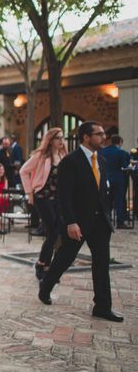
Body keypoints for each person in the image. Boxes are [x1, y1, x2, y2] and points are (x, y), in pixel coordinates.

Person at [38, 121, 123, 322]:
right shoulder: (71, 161)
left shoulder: (100, 160)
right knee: (64, 259)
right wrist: (70, 222)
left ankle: (102, 306)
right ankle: (46, 286)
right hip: (78, 222)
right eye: (99, 134)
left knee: (102, 263)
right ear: (86, 137)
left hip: (100, 223)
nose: (104, 137)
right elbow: (64, 196)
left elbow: (102, 192)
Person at [20, 127, 67, 280]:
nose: (61, 140)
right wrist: (29, 193)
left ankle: (46, 265)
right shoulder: (41, 156)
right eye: (58, 138)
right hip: (42, 197)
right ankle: (42, 264)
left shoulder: (63, 155)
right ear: (50, 140)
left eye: (62, 137)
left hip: (58, 200)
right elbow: (23, 171)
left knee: (55, 232)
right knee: (52, 232)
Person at [100, 135, 131, 229]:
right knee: (119, 200)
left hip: (106, 179)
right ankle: (120, 222)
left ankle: (107, 220)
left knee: (107, 201)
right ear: (120, 142)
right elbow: (125, 165)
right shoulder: (121, 152)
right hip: (118, 179)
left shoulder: (103, 151)